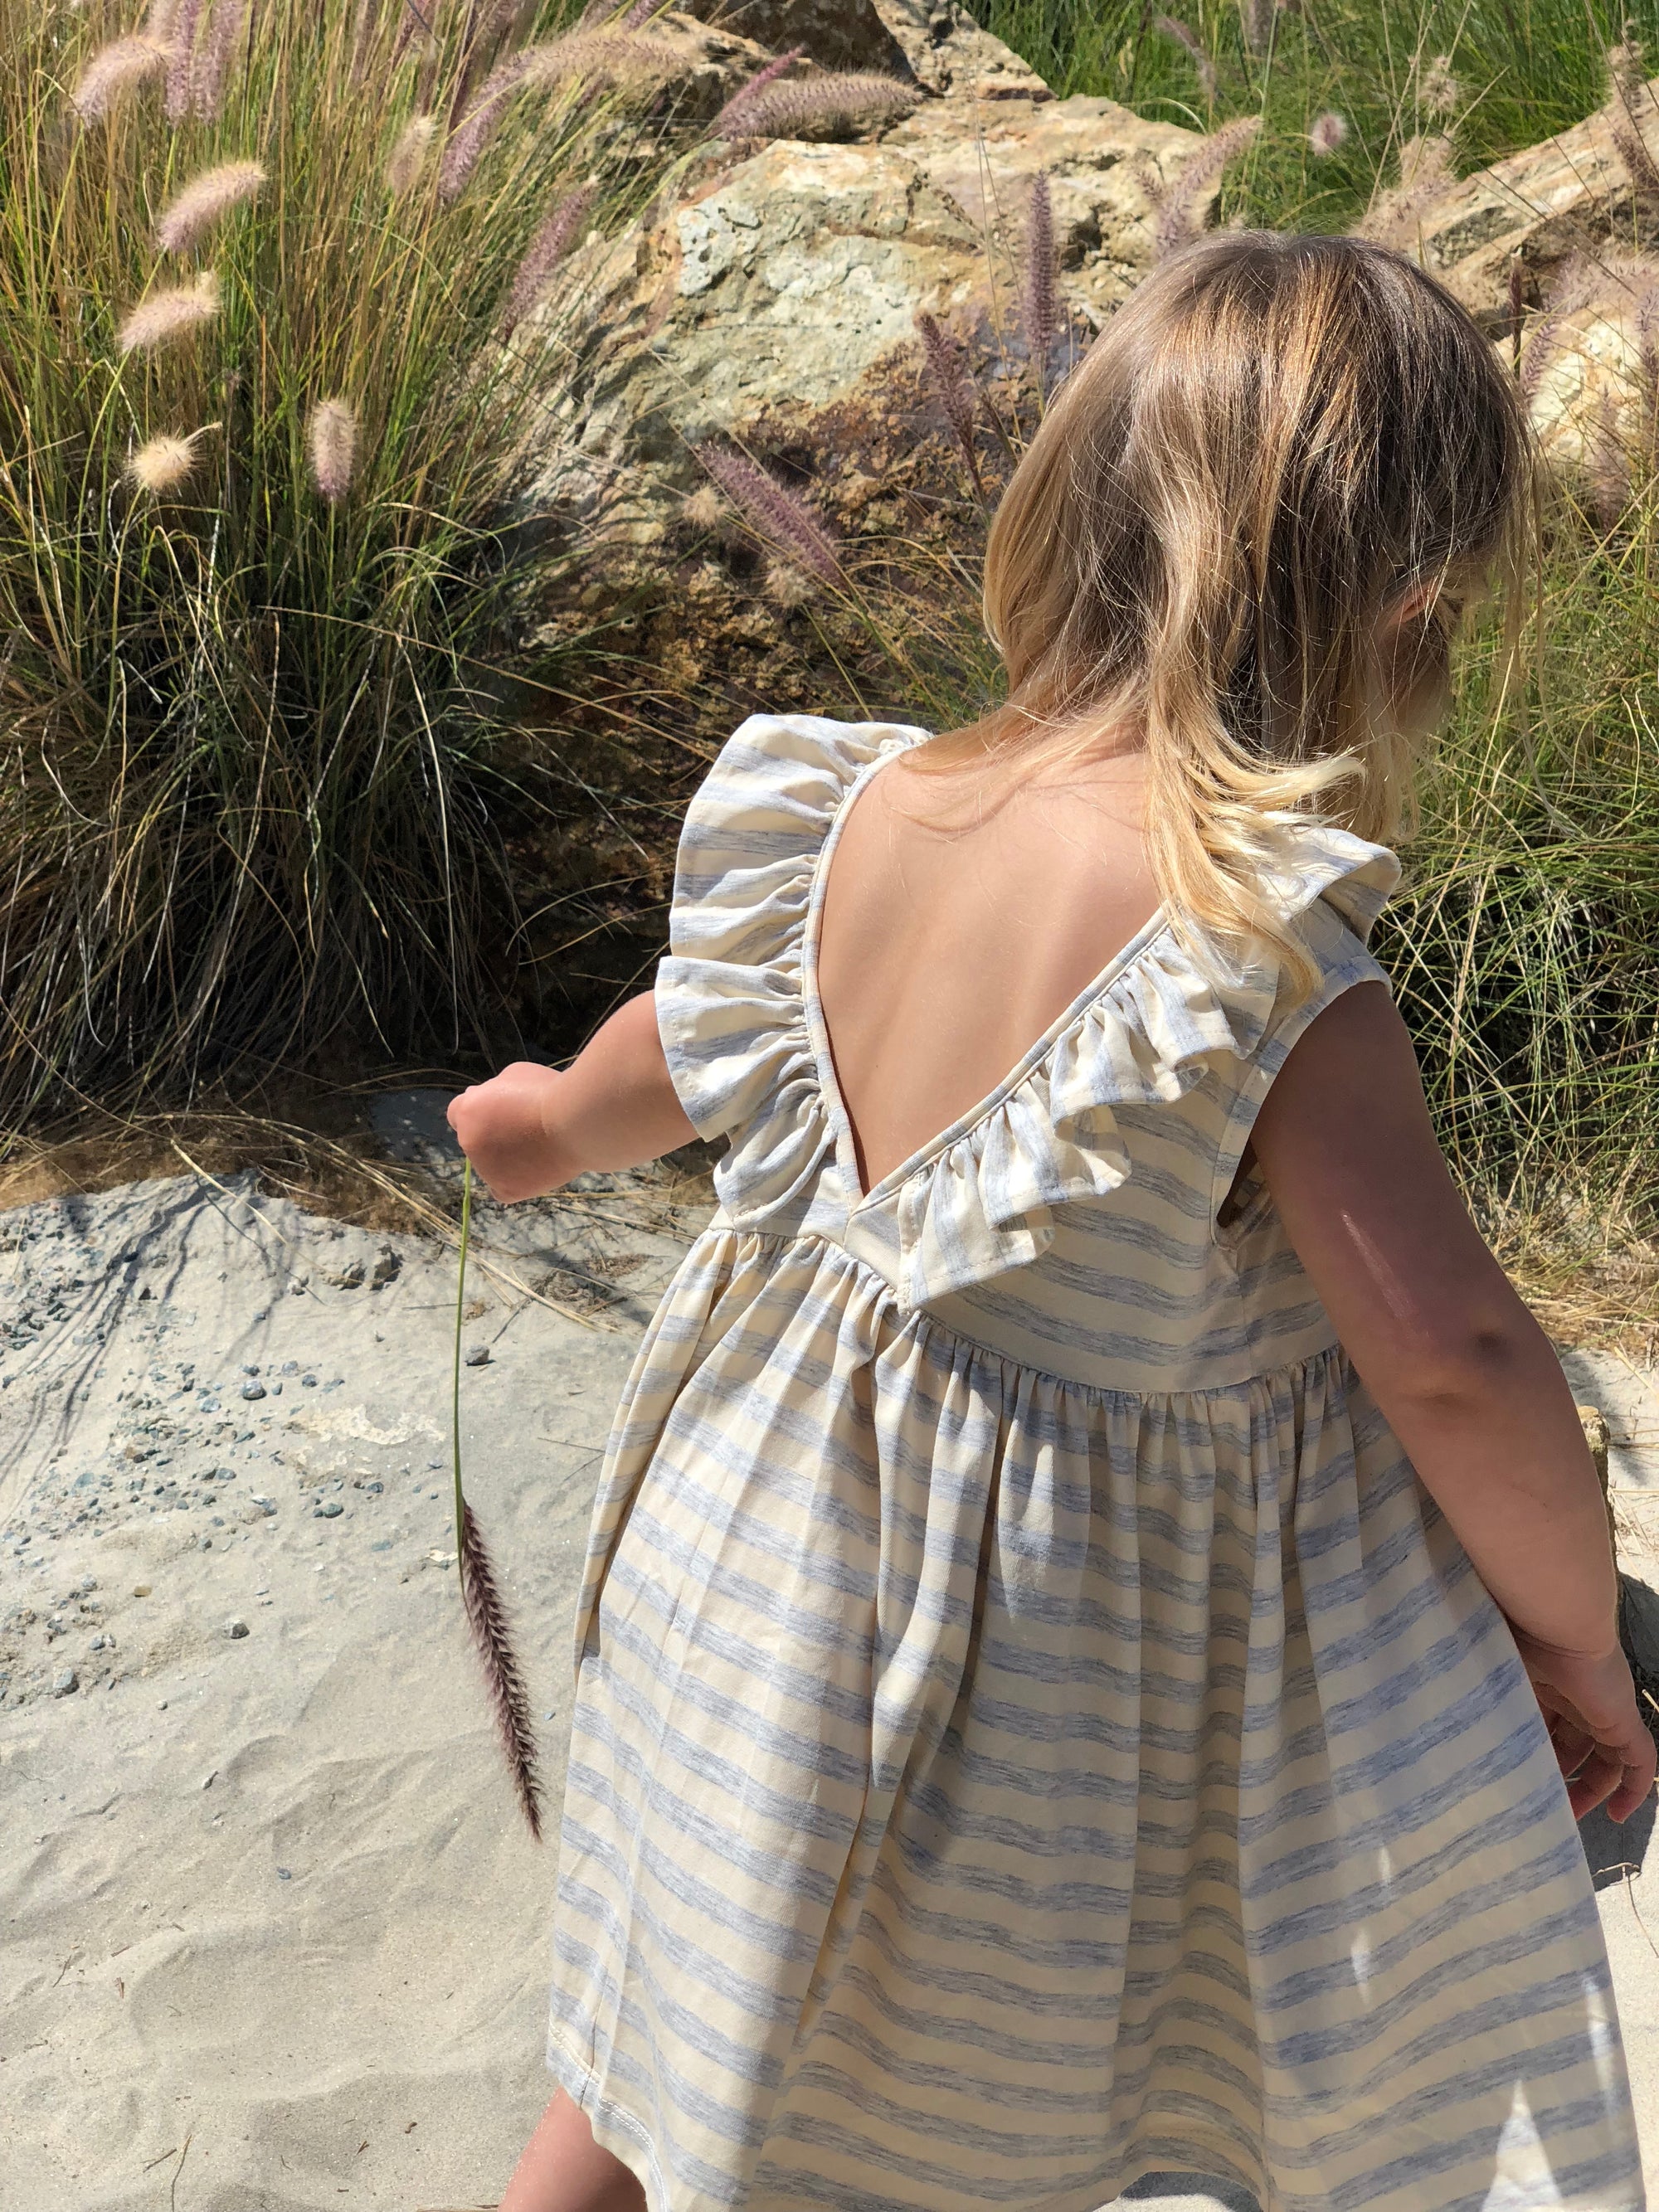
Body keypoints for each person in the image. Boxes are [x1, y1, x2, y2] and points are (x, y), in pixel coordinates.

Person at [448, 232, 1653, 2212]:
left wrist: (534, 1126)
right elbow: (1449, 1352)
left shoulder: (848, 812)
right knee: (912, 2116)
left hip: (740, 1585)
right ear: (1416, 600)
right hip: (1010, 1669)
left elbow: (658, 1053)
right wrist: (1578, 1631)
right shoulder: (1255, 958)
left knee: (690, 2015)